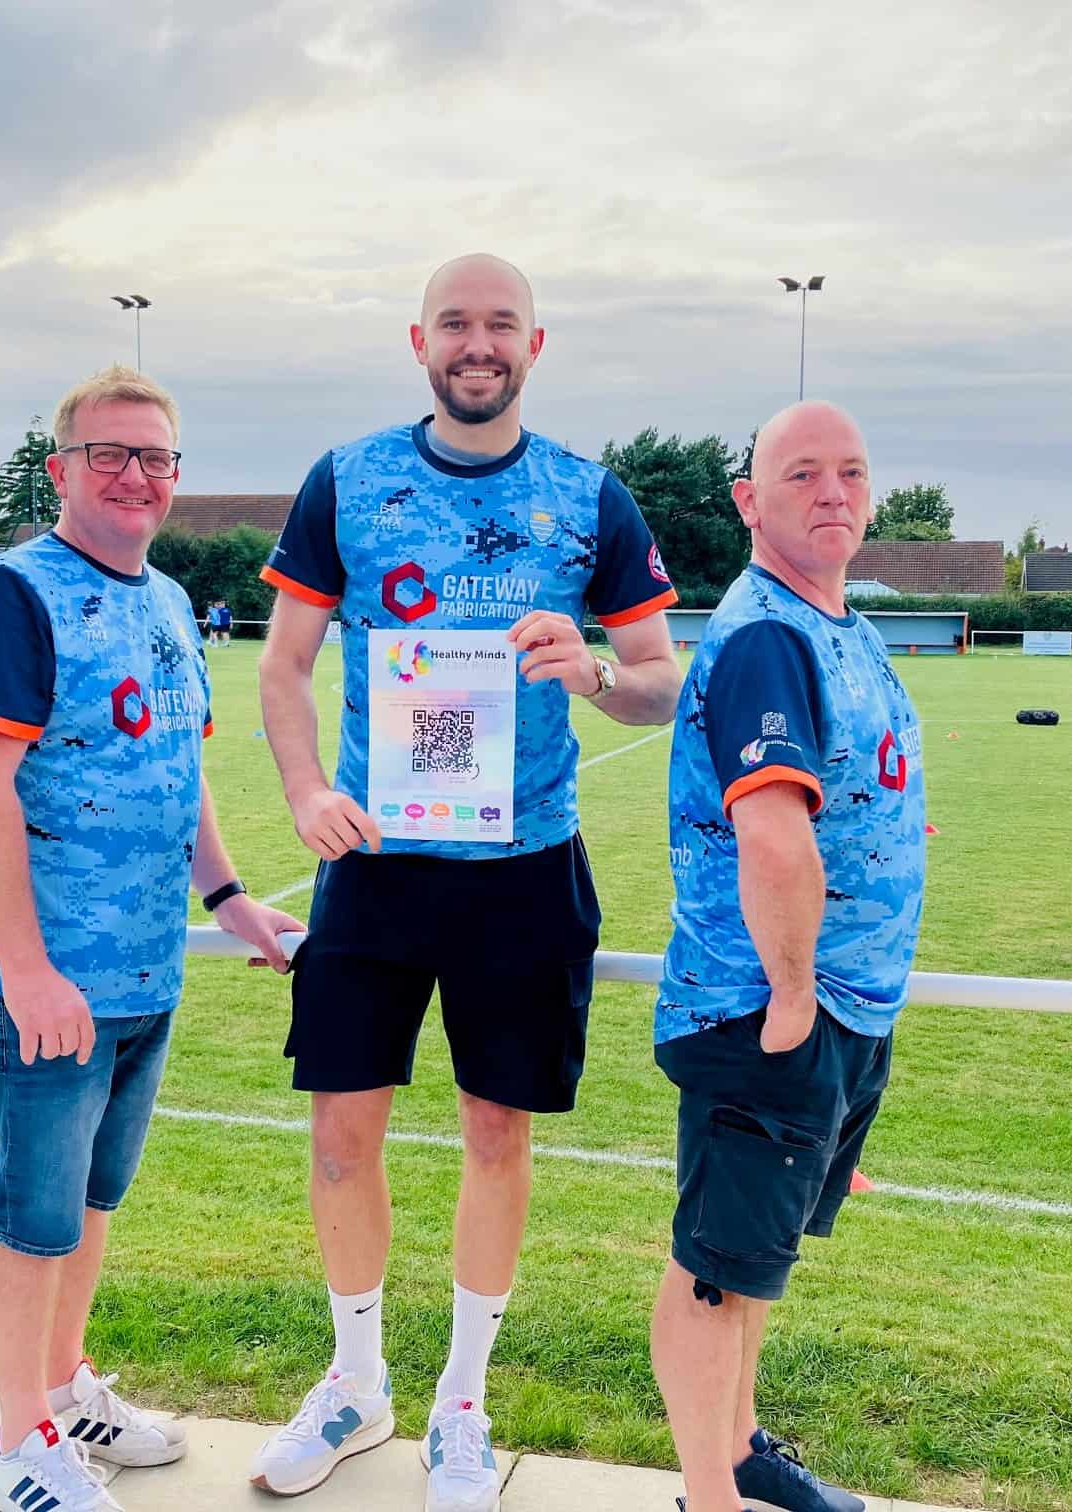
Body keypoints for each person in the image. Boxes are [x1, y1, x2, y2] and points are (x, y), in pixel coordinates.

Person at [251, 253, 682, 1511]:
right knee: (342, 1136)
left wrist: (594, 669)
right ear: (419, 341)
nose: (477, 343)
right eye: (456, 323)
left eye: (501, 325)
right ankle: (356, 1382)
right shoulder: (350, 479)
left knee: (497, 1132)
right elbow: (283, 669)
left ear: (536, 347)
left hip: (524, 868)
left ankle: (461, 1405)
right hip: (376, 868)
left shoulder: (589, 497)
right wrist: (304, 796)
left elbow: (664, 680)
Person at [0, 365, 305, 1512]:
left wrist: (231, 898)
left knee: (93, 1206)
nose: (136, 474)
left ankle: (63, 1386)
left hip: (145, 975)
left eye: (155, 457)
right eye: (110, 454)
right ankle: (18, 1443)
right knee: (33, 1215)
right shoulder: (12, 590)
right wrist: (29, 968)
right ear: (61, 469)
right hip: (49, 987)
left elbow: (177, 772)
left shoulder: (167, 598)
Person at [648, 403, 925, 1512]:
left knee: (757, 1264)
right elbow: (769, 830)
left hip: (841, 1010)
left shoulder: (840, 628)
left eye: (851, 472)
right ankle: (707, 1495)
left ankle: (743, 1451)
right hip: (773, 1011)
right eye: (801, 473)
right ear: (749, 503)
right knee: (716, 1271)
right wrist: (798, 996)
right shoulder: (768, 633)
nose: (832, 492)